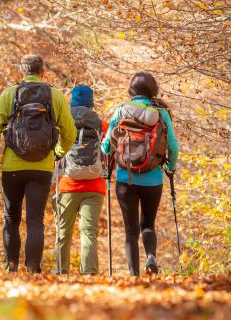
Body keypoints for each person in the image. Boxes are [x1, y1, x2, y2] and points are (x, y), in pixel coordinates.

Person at [0, 54, 76, 273]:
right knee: (35, 219)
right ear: (43, 73)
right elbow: (70, 133)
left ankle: (11, 265)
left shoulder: (10, 94)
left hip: (12, 167)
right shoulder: (55, 95)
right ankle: (33, 267)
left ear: (21, 73)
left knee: (11, 217)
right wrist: (57, 153)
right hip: (41, 167)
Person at [101, 72, 178, 276]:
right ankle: (151, 257)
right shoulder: (160, 113)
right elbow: (173, 145)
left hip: (125, 179)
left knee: (130, 230)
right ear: (152, 90)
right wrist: (171, 168)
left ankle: (134, 276)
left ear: (131, 90)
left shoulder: (121, 111)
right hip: (153, 179)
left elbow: (106, 146)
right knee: (148, 224)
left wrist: (113, 150)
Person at [53, 85, 107, 275]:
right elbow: (109, 152)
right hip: (95, 186)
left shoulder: (62, 123)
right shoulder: (102, 124)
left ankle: (59, 272)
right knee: (89, 232)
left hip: (67, 185)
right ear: (91, 103)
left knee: (62, 232)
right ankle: (90, 274)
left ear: (72, 102)